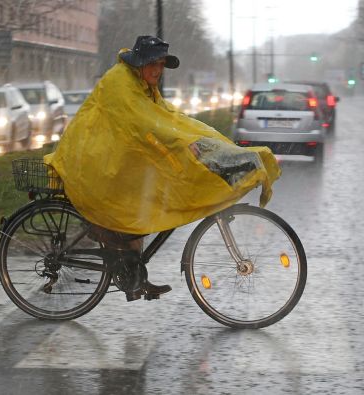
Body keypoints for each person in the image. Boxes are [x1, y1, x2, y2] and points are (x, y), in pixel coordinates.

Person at [44, 35, 281, 302]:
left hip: (116, 156)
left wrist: (203, 140)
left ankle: (134, 274)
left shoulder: (142, 84)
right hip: (93, 160)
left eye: (161, 64)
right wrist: (180, 142)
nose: (158, 70)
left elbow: (168, 117)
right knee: (132, 209)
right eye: (153, 63)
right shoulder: (120, 81)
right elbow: (144, 123)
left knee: (143, 204)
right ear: (139, 62)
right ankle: (129, 271)